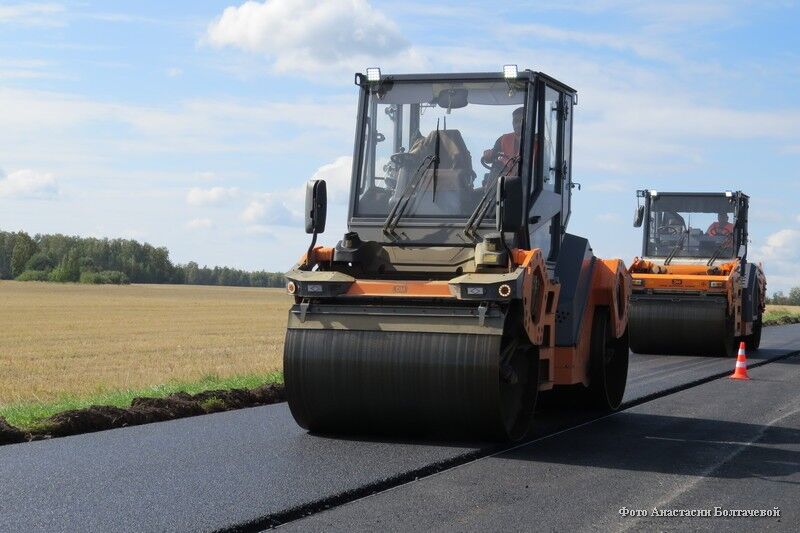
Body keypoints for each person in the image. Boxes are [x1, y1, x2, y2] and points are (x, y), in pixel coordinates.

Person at [482, 107, 524, 174]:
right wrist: (487, 156)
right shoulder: (504, 139)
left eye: (520, 121)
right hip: (505, 180)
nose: (517, 124)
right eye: (515, 121)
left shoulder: (538, 141)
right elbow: (492, 156)